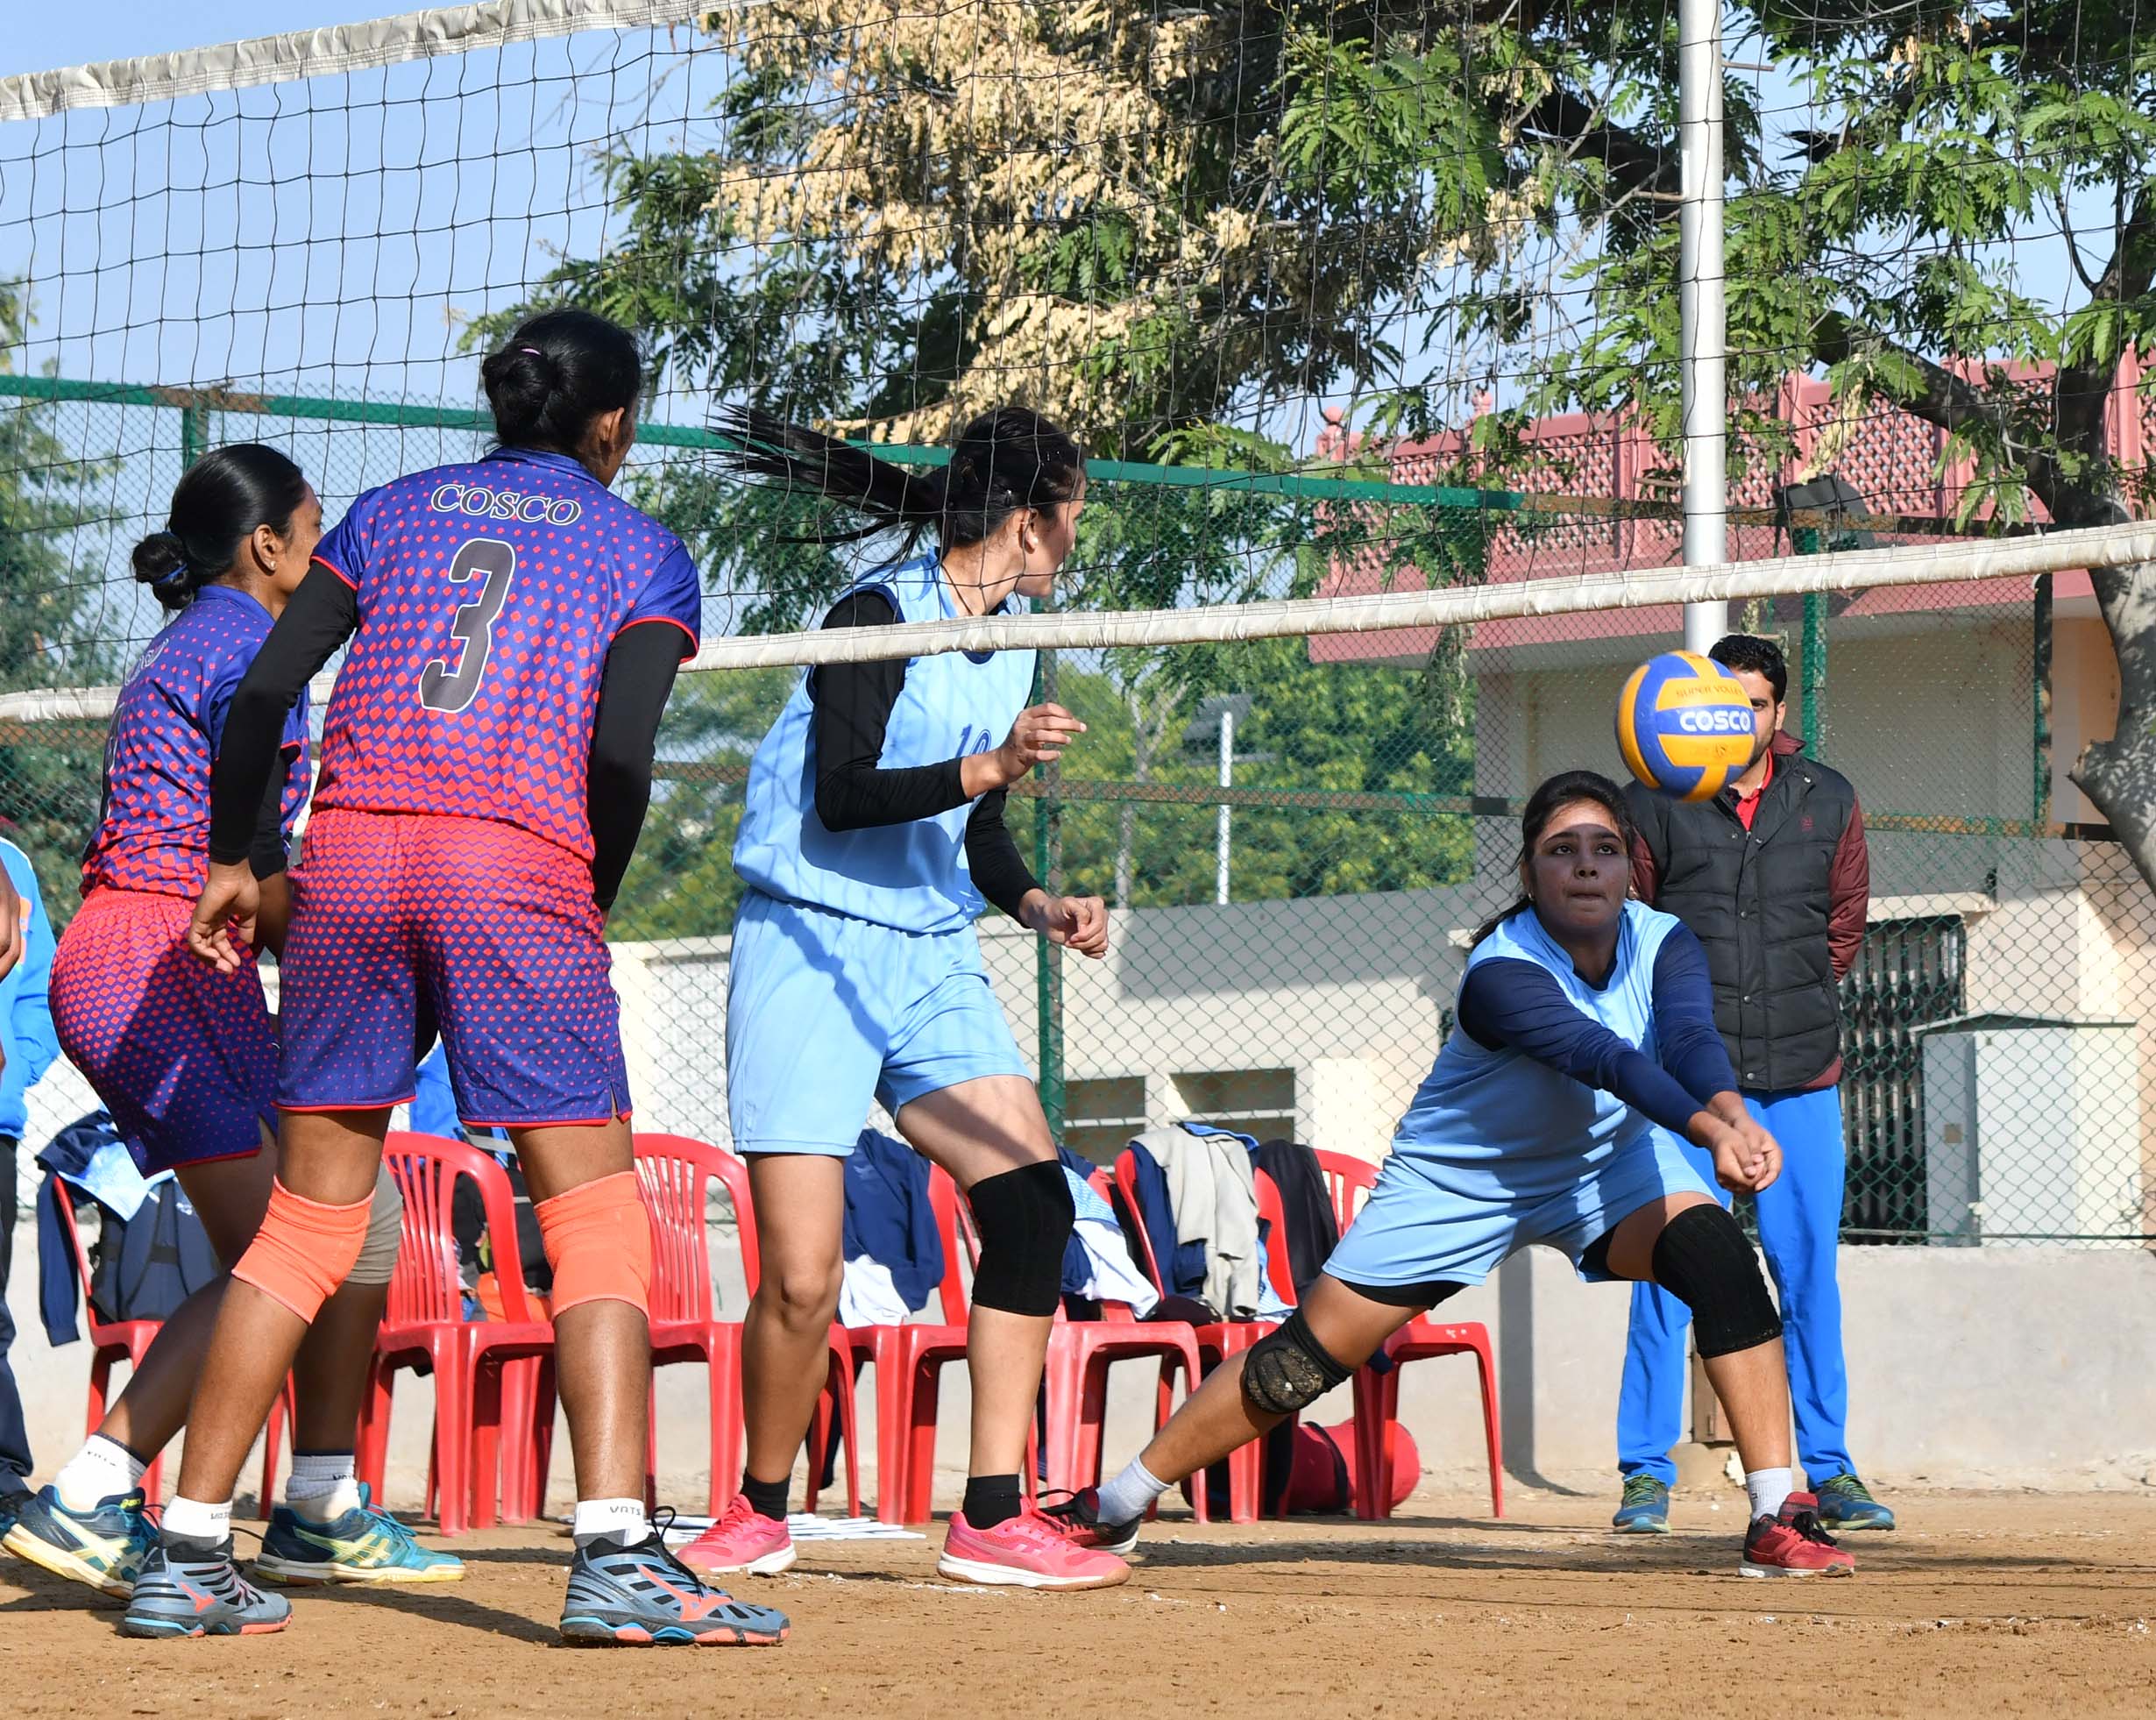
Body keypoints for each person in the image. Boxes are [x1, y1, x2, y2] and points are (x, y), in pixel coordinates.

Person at [141, 310, 787, 1646]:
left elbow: (261, 696)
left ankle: (187, 1546)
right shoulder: (641, 548)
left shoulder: (387, 511)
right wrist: (588, 887)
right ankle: (618, 1550)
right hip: (512, 861)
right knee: (595, 1216)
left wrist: (233, 857)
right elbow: (621, 757)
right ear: (613, 423)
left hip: (351, 860)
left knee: (307, 1222)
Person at [1054, 771, 1857, 1578]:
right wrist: (1708, 1129)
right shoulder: (1500, 971)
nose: (1586, 865)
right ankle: (1114, 1505)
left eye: (1605, 848)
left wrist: (1732, 1113)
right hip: (1461, 1183)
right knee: (1298, 1364)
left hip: (1605, 1167)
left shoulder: (1663, 939)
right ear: (1529, 873)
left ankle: (1774, 1512)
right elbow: (1603, 1057)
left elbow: (1687, 1039)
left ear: (1628, 868)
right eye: (1563, 850)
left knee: (1722, 1262)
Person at [674, 405, 1126, 1592]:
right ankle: (760, 1507)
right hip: (808, 942)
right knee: (802, 1276)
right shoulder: (874, 617)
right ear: (1028, 519)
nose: (1078, 530)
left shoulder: (1018, 640)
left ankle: (992, 1513)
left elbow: (977, 830)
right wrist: (991, 763)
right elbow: (842, 795)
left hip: (928, 949)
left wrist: (1036, 903)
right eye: (1073, 508)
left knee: (1031, 1203)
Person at [5, 447, 459, 1599]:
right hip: (159, 954)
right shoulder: (253, 652)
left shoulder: (206, 642)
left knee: (361, 1213)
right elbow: (255, 870)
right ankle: (95, 1492)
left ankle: (319, 1499)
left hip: (157, 956)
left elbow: (251, 862)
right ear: (269, 546)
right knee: (285, 1248)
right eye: (317, 530)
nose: (333, 554)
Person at [1612, 633, 1890, 1534]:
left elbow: (1843, 927)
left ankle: (1831, 1471)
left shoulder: (1828, 797)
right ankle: (1645, 1474)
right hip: (1687, 1091)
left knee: (1808, 1278)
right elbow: (1630, 928)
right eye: (1722, 705)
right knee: (1668, 1277)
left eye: (1754, 706)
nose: (1738, 721)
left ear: (1778, 712)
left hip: (1800, 1076)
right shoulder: (1653, 799)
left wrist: (1790, 998)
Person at [0, 847, 53, 1533]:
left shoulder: (10, 862)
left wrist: (16, 1068)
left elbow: (40, 985)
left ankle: (3, 1476)